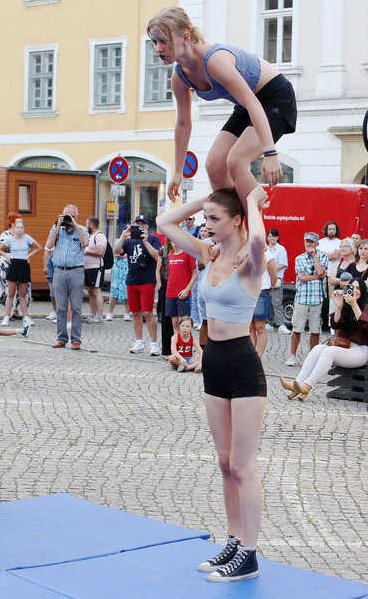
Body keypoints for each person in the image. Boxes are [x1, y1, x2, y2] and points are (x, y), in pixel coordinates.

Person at [157, 186, 268, 583]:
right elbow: (164, 222)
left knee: (242, 465)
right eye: (206, 218)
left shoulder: (250, 261)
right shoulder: (210, 253)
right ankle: (234, 541)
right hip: (214, 362)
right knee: (224, 462)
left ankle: (250, 554)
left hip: (243, 365)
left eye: (214, 218)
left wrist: (251, 201)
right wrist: (205, 198)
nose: (207, 225)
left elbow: (258, 240)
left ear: (236, 220)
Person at [148, 6, 296, 205]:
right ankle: (235, 220)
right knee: (214, 165)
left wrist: (270, 153)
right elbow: (183, 123)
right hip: (246, 104)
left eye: (163, 41)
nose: (158, 49)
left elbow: (252, 102)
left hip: (274, 97)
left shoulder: (214, 60)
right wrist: (177, 171)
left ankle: (255, 218)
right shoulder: (179, 77)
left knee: (236, 160)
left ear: (185, 37)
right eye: (154, 42)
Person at [282, 277, 368, 400]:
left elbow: (364, 325)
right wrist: (339, 307)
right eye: (352, 287)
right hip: (345, 347)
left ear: (363, 291)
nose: (355, 291)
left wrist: (354, 304)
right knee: (318, 348)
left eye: (358, 288)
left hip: (361, 351)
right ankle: (297, 384)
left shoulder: (367, 307)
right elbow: (336, 325)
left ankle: (307, 385)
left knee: (329, 351)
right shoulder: (346, 306)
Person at [115, 214, 162, 355]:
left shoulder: (153, 239)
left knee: (148, 312)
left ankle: (154, 344)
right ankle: (139, 341)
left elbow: (157, 256)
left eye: (143, 224)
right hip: (132, 280)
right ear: (133, 225)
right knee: (135, 313)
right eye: (137, 223)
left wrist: (146, 241)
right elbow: (116, 252)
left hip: (147, 281)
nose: (140, 226)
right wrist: (123, 236)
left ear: (147, 226)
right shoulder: (129, 241)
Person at [45, 205, 89, 350]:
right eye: (67, 216)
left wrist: (75, 225)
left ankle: (76, 340)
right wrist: (58, 226)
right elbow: (49, 244)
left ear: (77, 217)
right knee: (61, 308)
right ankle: (61, 339)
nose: (69, 219)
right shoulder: (56, 229)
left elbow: (85, 243)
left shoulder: (82, 230)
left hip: (76, 271)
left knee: (76, 307)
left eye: (72, 216)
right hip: (59, 271)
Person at [285, 232, 328, 367]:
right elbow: (302, 278)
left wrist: (315, 256)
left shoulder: (323, 257)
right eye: (306, 241)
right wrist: (317, 276)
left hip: (317, 299)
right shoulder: (299, 258)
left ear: (317, 244)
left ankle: (312, 357)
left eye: (311, 242)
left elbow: (320, 271)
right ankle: (292, 356)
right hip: (302, 298)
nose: (308, 244)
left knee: (315, 330)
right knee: (297, 328)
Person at [0, 218, 41, 330]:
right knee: (10, 293)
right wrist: (7, 255)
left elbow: (38, 247)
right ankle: (6, 317)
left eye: (21, 227)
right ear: (14, 228)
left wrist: (28, 256)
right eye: (17, 227)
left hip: (24, 266)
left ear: (24, 229)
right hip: (13, 266)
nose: (19, 229)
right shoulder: (9, 239)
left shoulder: (27, 238)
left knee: (22, 293)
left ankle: (25, 317)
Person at [0, 214, 32, 319]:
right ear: (12, 223)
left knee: (22, 291)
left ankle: (18, 312)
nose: (20, 224)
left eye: (21, 222)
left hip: (21, 264)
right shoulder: (6, 235)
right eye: (18, 222)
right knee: (9, 290)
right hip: (7, 264)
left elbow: (32, 247)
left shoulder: (25, 236)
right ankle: (7, 313)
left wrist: (27, 255)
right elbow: (1, 248)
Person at [164, 238, 198, 332]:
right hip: (170, 293)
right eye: (173, 240)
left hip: (183, 293)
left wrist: (187, 289)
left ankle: (185, 341)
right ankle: (177, 341)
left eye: (177, 240)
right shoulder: (170, 255)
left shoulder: (188, 254)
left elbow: (195, 274)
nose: (175, 243)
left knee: (183, 323)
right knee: (175, 322)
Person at [249, 248, 275, 357]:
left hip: (261, 292)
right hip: (247, 293)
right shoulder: (245, 252)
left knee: (260, 327)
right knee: (250, 328)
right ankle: (250, 356)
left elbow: (273, 276)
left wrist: (269, 288)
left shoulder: (267, 254)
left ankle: (258, 357)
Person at [83, 217, 107, 323]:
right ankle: (93, 314)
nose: (85, 226)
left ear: (91, 225)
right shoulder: (91, 236)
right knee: (90, 291)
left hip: (96, 267)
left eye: (86, 224)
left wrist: (87, 251)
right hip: (88, 267)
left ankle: (100, 316)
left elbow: (100, 251)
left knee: (96, 291)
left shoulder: (100, 236)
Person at [265, 228, 288, 333]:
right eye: (269, 236)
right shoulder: (265, 249)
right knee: (267, 301)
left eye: (273, 236)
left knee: (277, 302)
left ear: (277, 237)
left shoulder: (281, 249)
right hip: (266, 279)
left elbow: (282, 264)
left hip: (276, 278)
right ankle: (269, 323)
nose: (271, 238)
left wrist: (270, 269)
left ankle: (281, 325)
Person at [106, 246, 131, 322]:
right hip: (118, 269)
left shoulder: (132, 242)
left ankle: (127, 313)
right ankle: (109, 313)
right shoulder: (118, 242)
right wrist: (126, 255)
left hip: (128, 268)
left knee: (128, 291)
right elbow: (115, 253)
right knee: (114, 291)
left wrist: (123, 255)